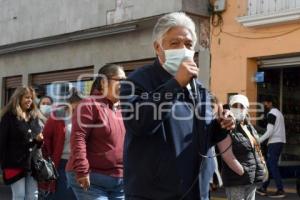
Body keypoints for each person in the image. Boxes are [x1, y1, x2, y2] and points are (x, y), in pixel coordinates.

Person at [120, 12, 237, 200]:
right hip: (153, 194)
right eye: (175, 43)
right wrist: (175, 84)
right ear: (158, 47)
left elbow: (203, 137)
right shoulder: (137, 81)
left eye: (189, 44)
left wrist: (221, 126)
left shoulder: (199, 89)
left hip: (196, 191)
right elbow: (138, 123)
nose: (184, 49)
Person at [66, 64, 126, 200]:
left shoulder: (123, 108)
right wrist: (82, 170)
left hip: (119, 181)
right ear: (104, 82)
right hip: (92, 179)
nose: (125, 84)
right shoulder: (89, 104)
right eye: (120, 80)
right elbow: (78, 137)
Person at [0, 86, 44, 200]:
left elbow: (37, 142)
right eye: (26, 97)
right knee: (19, 195)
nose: (30, 100)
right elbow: (2, 141)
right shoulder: (8, 117)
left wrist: (39, 140)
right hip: (14, 163)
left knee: (33, 196)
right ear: (18, 98)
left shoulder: (33, 116)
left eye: (31, 98)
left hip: (32, 164)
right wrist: (2, 163)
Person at [220, 94, 266, 200]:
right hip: (237, 180)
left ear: (247, 109)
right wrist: (241, 171)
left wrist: (261, 166)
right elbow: (226, 153)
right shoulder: (226, 125)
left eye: (242, 106)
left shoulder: (249, 127)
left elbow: (256, 148)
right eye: (235, 106)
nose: (238, 109)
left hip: (251, 178)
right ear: (230, 107)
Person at [40, 88, 82, 199]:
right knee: (61, 195)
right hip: (61, 164)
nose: (79, 109)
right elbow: (45, 139)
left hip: (79, 164)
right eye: (77, 106)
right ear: (69, 104)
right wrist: (47, 159)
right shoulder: (57, 116)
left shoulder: (85, 118)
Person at [257, 96, 286, 198]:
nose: (264, 105)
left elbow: (269, 131)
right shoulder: (279, 113)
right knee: (269, 166)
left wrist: (258, 141)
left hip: (274, 143)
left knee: (272, 166)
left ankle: (280, 190)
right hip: (280, 142)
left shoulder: (272, 114)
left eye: (265, 103)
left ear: (270, 103)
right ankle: (263, 188)